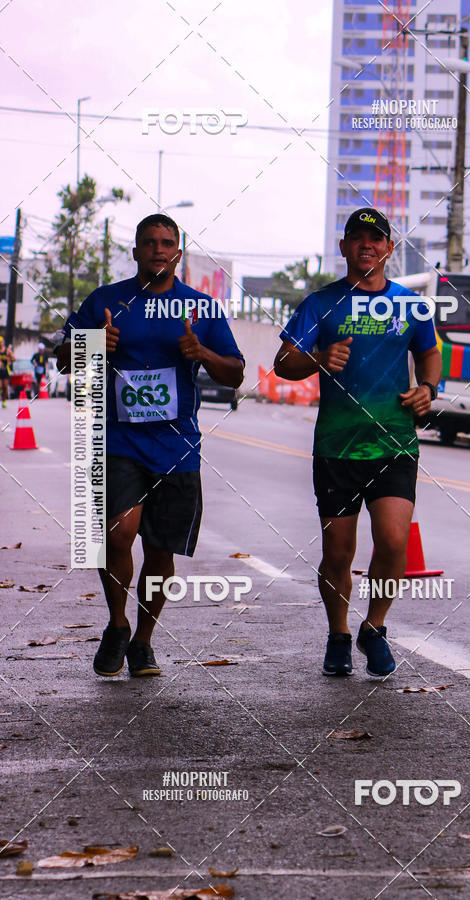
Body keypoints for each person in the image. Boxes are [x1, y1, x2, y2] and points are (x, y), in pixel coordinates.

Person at [56, 214, 244, 678]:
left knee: (161, 553)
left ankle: (143, 640)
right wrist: (90, 343)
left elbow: (236, 372)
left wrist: (202, 354)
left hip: (177, 447)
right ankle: (117, 624)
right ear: (136, 251)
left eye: (167, 243)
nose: (158, 250)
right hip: (118, 440)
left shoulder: (201, 308)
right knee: (119, 533)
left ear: (177, 253)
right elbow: (63, 361)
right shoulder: (106, 300)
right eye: (149, 242)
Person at [274, 207, 442, 678]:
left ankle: (375, 627)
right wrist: (319, 357)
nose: (367, 245)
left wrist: (428, 388)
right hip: (337, 447)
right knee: (339, 553)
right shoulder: (319, 304)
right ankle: (339, 634)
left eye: (376, 238)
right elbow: (284, 361)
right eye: (357, 238)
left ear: (389, 248)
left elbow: (429, 351)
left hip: (394, 443)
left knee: (392, 540)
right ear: (345, 247)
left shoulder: (411, 305)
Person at [0, 337, 15, 407]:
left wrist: (9, 360)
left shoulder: (7, 350)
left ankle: (4, 401)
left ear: (3, 342)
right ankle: (1, 393)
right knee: (0, 386)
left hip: (6, 370)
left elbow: (14, 359)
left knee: (5, 386)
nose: (0, 343)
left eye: (1, 342)